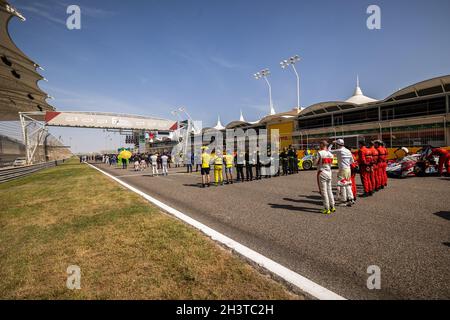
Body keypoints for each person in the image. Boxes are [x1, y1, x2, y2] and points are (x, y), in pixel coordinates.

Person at [329, 139, 355, 206]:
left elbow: (329, 151)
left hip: (343, 170)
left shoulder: (339, 150)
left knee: (342, 185)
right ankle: (351, 199)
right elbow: (352, 161)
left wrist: (331, 144)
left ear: (337, 144)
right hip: (348, 169)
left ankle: (344, 201)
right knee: (348, 184)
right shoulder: (348, 150)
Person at [313, 140, 336, 215]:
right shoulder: (330, 153)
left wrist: (314, 159)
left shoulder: (319, 153)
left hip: (322, 172)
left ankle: (326, 208)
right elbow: (331, 163)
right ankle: (332, 206)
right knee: (329, 190)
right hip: (329, 172)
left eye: (320, 144)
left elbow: (314, 163)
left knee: (324, 191)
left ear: (323, 145)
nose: (319, 145)